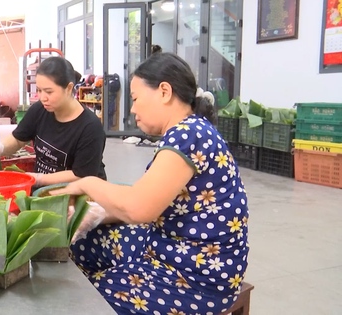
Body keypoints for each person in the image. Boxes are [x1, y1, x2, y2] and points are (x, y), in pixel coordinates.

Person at [51, 53, 249, 314]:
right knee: (82, 242)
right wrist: (99, 214)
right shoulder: (193, 129)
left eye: (135, 99)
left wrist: (88, 184)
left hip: (195, 275)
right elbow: (147, 197)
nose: (132, 109)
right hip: (169, 245)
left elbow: (139, 209)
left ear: (164, 91)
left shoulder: (188, 134)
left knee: (87, 298)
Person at [0, 57, 107, 186]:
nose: (42, 98)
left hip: (80, 194)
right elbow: (18, 138)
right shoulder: (39, 110)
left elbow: (81, 175)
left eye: (49, 92)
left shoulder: (90, 127)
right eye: (39, 90)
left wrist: (39, 179)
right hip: (44, 191)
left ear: (69, 88)